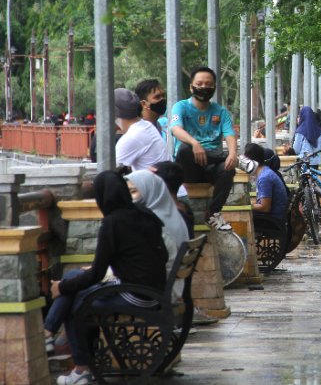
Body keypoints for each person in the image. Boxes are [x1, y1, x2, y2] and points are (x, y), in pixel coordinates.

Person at [45, 171, 168, 385]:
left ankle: (80, 366)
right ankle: (49, 332)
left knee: (75, 302)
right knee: (74, 277)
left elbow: (96, 274)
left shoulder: (113, 222)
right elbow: (161, 255)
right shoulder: (144, 213)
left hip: (137, 295)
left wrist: (62, 287)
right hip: (152, 291)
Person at [169, 66, 237, 231]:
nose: (204, 87)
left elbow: (230, 135)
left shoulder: (220, 112)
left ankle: (213, 213)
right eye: (200, 83)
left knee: (228, 168)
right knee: (185, 149)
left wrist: (233, 154)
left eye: (208, 84)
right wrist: (195, 143)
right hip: (188, 168)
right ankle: (229, 158)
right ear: (191, 86)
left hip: (210, 167)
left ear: (214, 87)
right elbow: (175, 129)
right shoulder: (181, 107)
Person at [125, 170, 189, 300]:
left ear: (150, 191)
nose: (129, 198)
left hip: (156, 292)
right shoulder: (170, 214)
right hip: (170, 286)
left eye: (133, 192)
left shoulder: (154, 222)